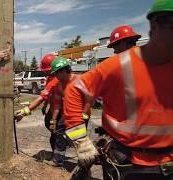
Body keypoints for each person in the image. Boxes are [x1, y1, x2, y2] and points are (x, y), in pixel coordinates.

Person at [63, 0, 173, 179]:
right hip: (130, 163)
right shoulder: (116, 66)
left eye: (117, 46)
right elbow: (75, 91)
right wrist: (81, 140)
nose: (117, 51)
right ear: (155, 26)